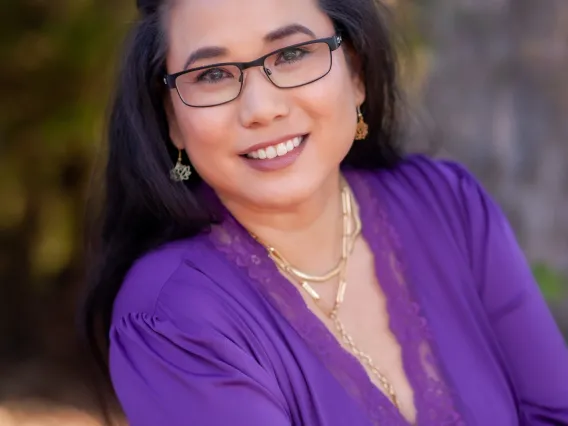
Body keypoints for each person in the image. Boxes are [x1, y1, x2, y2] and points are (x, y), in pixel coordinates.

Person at [80, 0, 568, 424]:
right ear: (173, 122)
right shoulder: (173, 316)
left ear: (355, 73)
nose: (261, 108)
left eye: (291, 54)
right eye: (212, 74)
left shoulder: (449, 206)